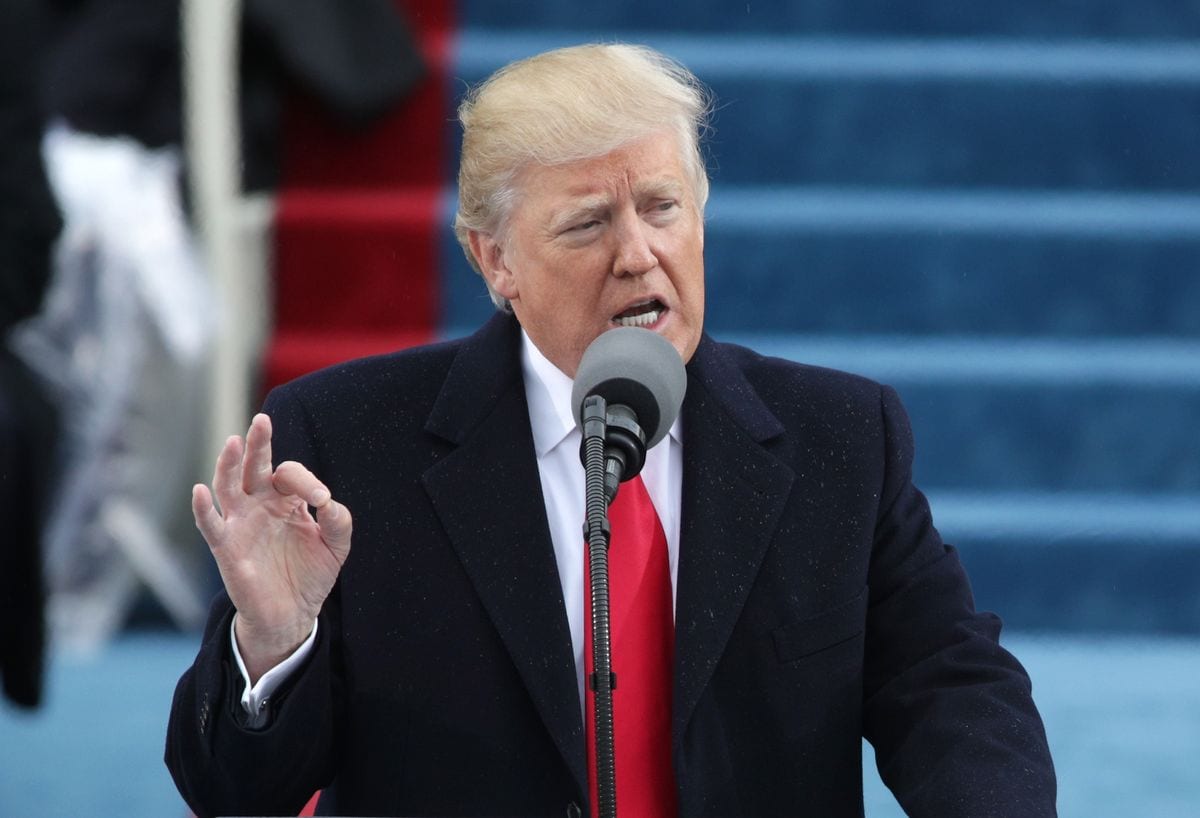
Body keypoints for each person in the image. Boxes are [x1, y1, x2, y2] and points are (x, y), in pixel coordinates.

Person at [166, 44, 1056, 817]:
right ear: (494, 259)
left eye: (662, 208)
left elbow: (948, 685)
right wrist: (275, 647)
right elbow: (233, 791)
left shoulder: (842, 436)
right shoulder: (346, 442)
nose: (638, 253)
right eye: (588, 223)